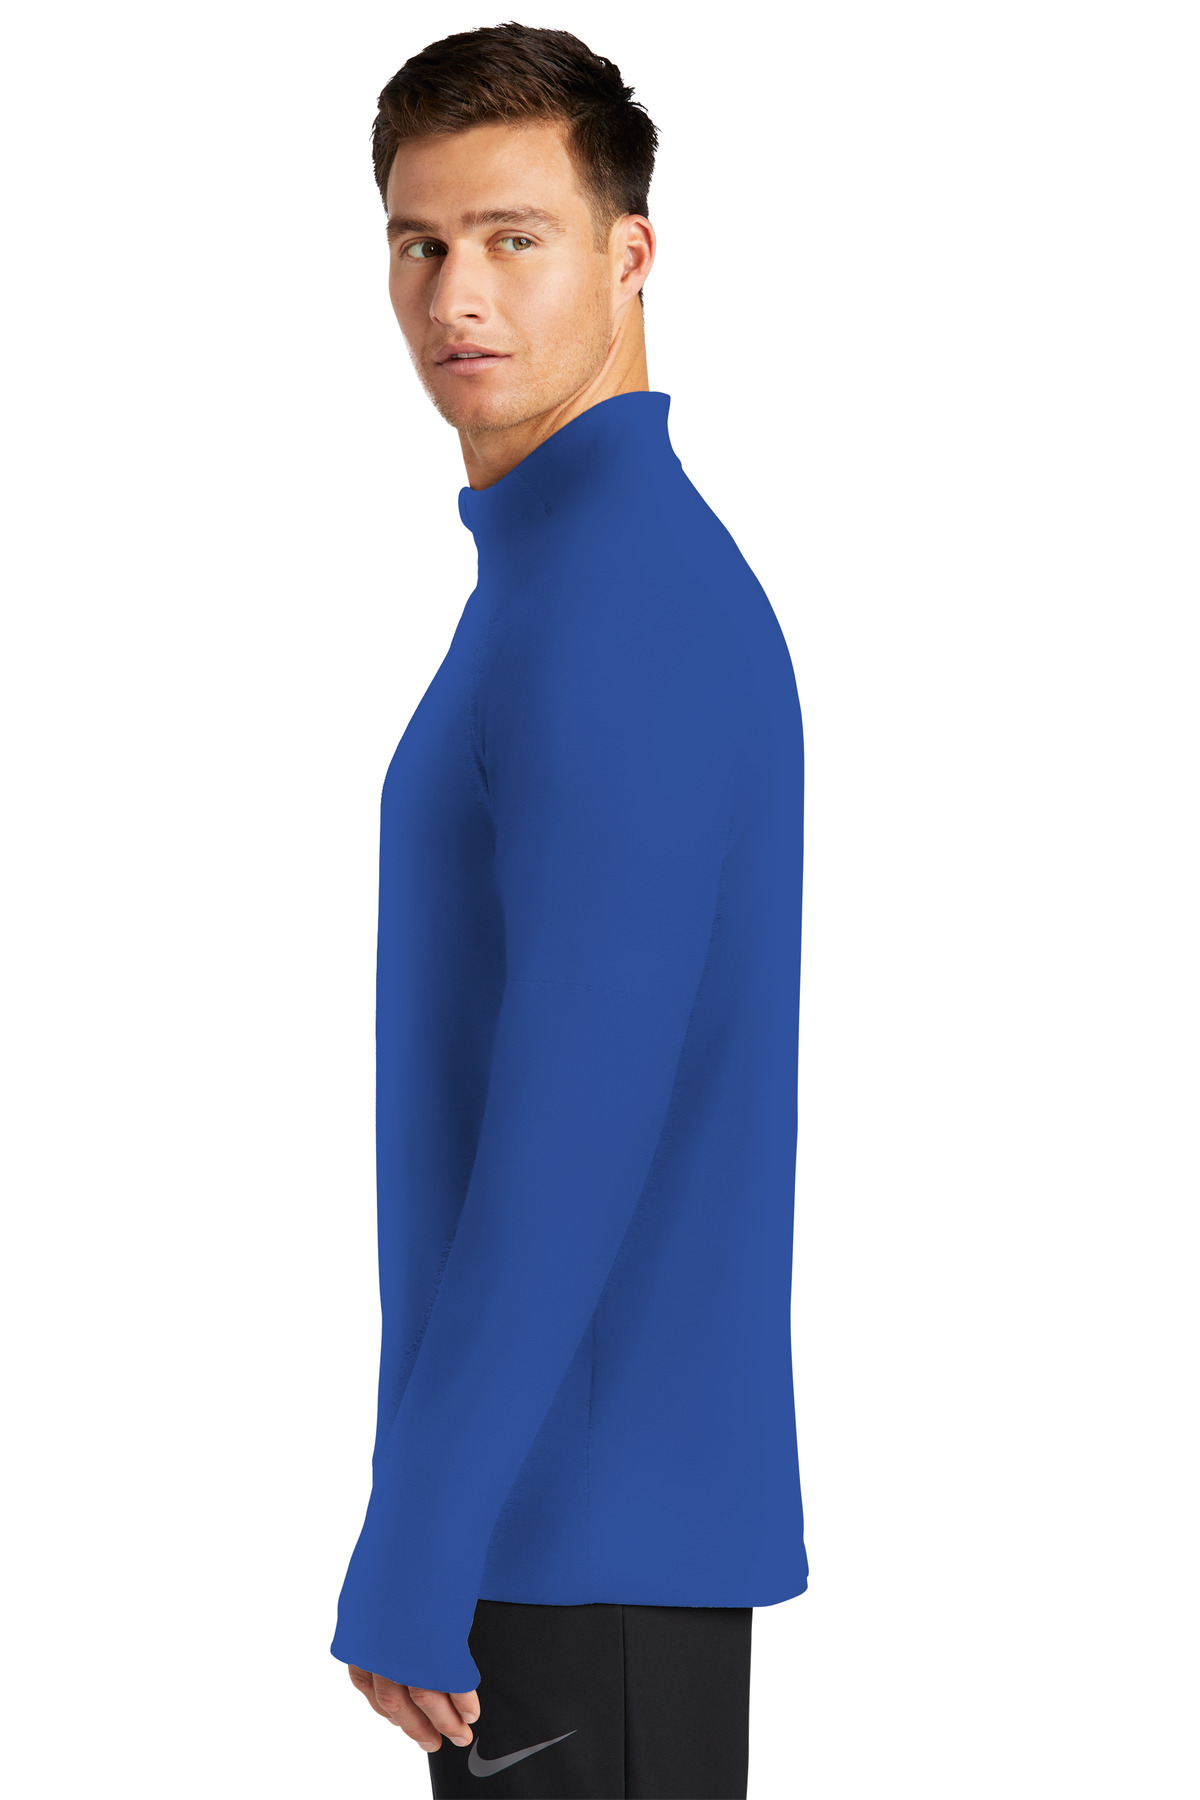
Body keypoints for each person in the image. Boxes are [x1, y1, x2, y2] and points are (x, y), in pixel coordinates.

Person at [330, 24, 810, 1800]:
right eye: (420, 241)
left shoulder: (621, 602)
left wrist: (420, 1530)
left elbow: (575, 1124)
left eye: (514, 237)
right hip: (559, 1532)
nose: (456, 293)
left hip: (578, 1545)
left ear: (629, 254)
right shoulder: (558, 579)